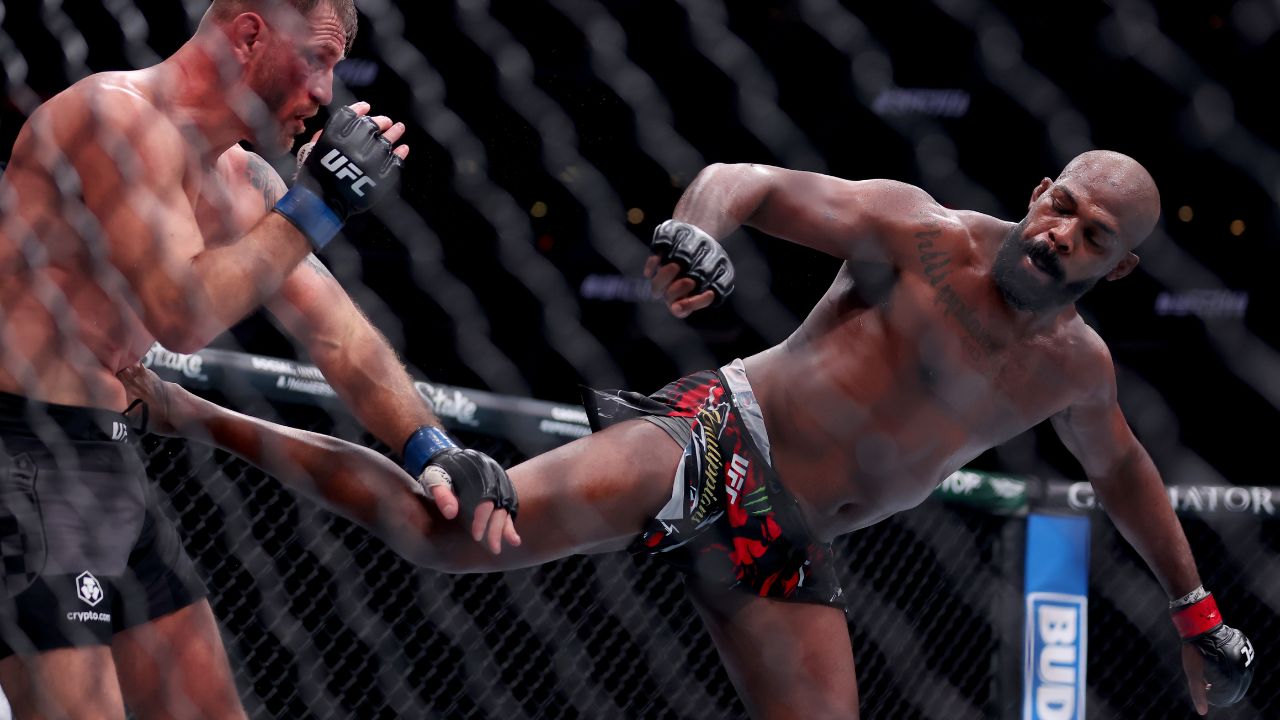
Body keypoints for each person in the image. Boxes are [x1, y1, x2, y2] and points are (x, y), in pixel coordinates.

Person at [117, 151, 1254, 719]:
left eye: (1090, 234)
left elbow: (1126, 476)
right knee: (458, 532)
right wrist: (696, 235)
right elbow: (739, 180)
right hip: (720, 442)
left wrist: (1194, 613)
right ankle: (189, 409)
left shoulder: (1075, 370)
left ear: (1119, 266)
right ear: (1041, 187)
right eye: (1061, 205)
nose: (1059, 234)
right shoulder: (923, 237)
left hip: (787, 544)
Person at [0, 0, 515, 717]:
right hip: (20, 454)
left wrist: (431, 446)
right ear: (248, 35)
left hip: (108, 460)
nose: (326, 95)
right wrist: (318, 205)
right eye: (318, 60)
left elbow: (336, 331)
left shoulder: (240, 180)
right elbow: (179, 314)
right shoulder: (115, 118)